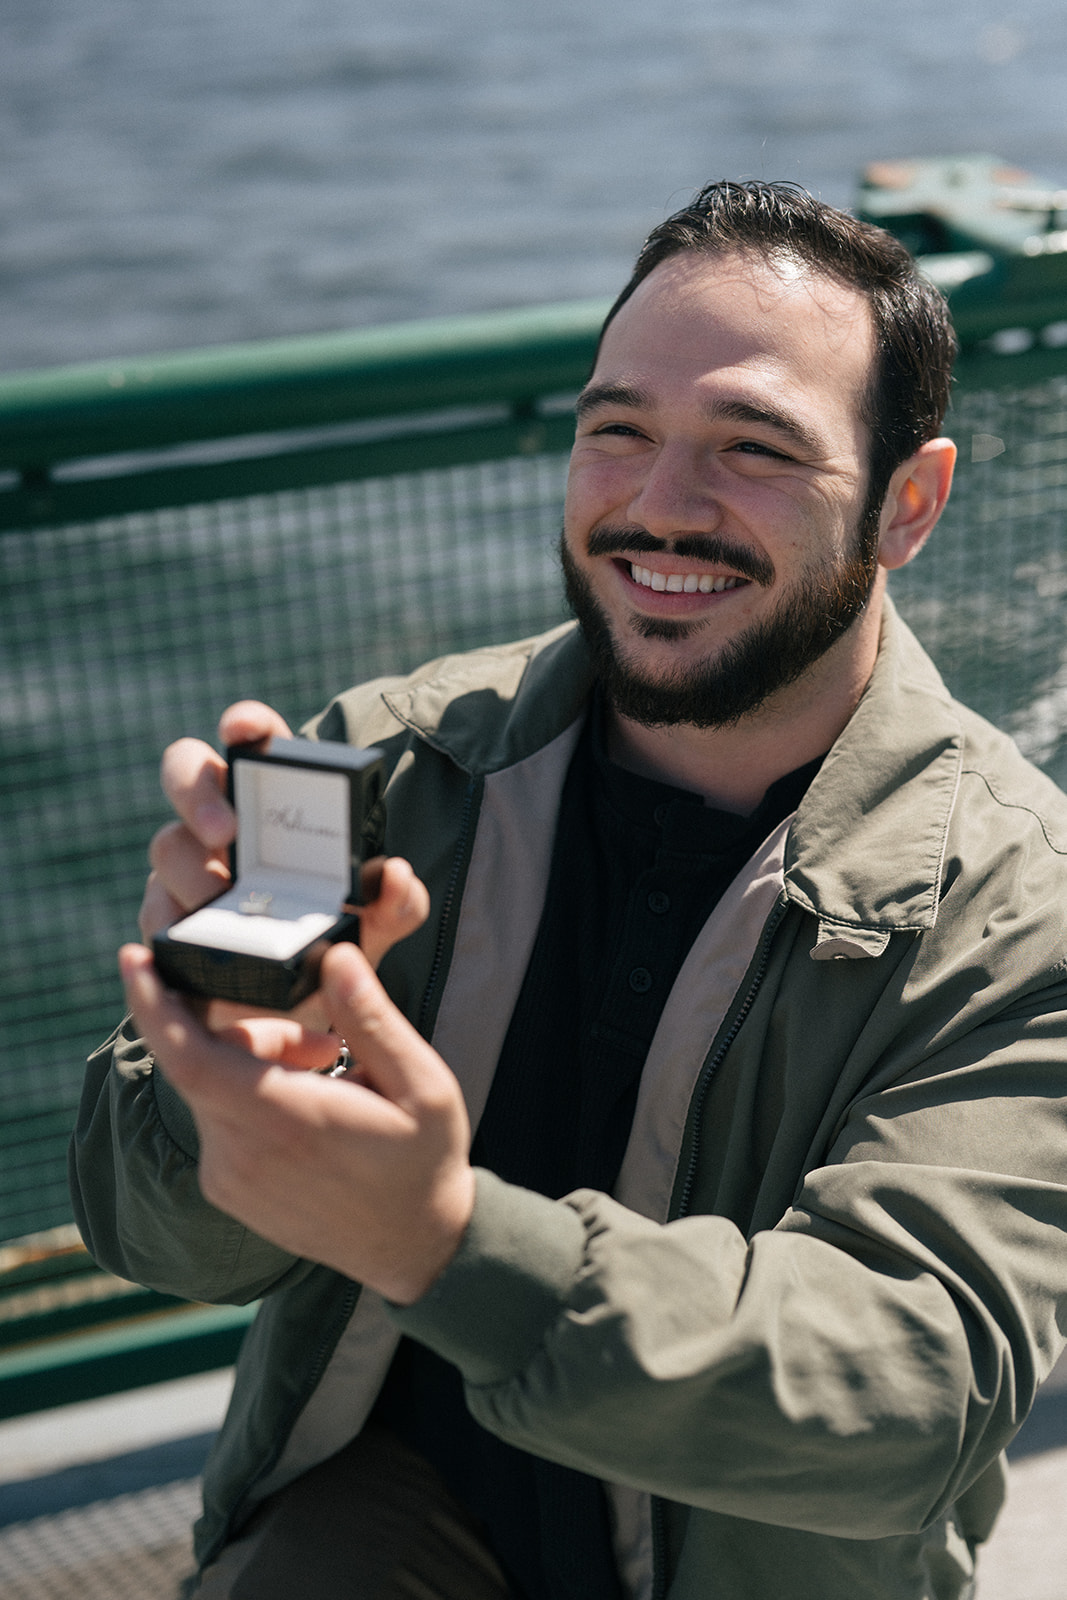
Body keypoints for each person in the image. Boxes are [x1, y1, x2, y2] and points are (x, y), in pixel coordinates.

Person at [70, 181, 1067, 1600]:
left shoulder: (1022, 909)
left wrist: (442, 1242)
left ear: (908, 503)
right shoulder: (397, 765)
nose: (660, 506)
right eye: (618, 431)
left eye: (755, 448)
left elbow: (906, 1391)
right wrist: (218, 1080)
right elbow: (152, 1239)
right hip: (394, 1516)